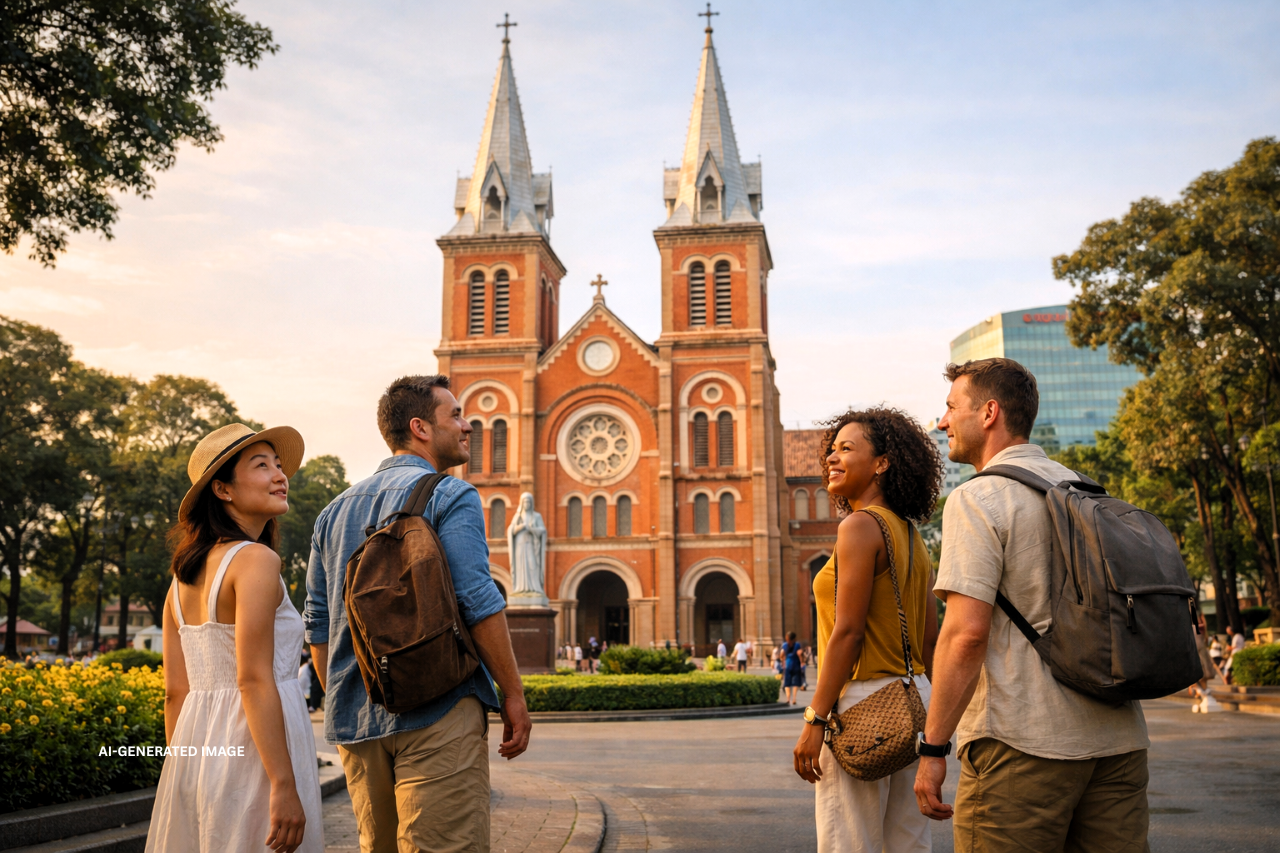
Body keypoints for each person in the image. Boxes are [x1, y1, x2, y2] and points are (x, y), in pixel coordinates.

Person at [914, 359, 1152, 852]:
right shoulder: (1087, 490)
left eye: (950, 407)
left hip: (1024, 747)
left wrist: (933, 747)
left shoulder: (978, 499)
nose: (942, 422)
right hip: (1119, 744)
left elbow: (966, 635)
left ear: (989, 413)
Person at [304, 375, 531, 853]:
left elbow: (318, 625)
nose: (467, 426)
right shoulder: (452, 495)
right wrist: (512, 692)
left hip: (357, 725)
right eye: (455, 415)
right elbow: (478, 600)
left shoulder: (332, 512)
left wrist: (348, 699)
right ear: (420, 428)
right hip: (439, 708)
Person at [148, 423, 323, 853]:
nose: (280, 476)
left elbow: (176, 692)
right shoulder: (256, 561)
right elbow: (253, 679)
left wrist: (185, 772)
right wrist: (283, 783)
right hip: (258, 752)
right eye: (262, 466)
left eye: (279, 465)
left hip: (198, 749)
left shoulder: (179, 580)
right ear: (223, 490)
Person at [793, 406, 940, 852]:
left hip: (862, 706)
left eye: (846, 449)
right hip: (913, 701)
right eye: (831, 450)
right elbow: (931, 641)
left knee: (849, 841)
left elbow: (848, 632)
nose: (832, 459)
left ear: (882, 462)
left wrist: (815, 718)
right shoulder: (911, 535)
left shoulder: (858, 526)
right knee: (907, 842)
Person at [781, 632, 804, 704]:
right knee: (795, 683)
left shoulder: (784, 645)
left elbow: (781, 654)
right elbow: (799, 653)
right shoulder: (797, 645)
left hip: (788, 664)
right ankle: (794, 699)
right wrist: (802, 662)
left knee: (787, 683)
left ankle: (788, 699)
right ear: (794, 639)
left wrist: (783, 660)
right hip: (796, 664)